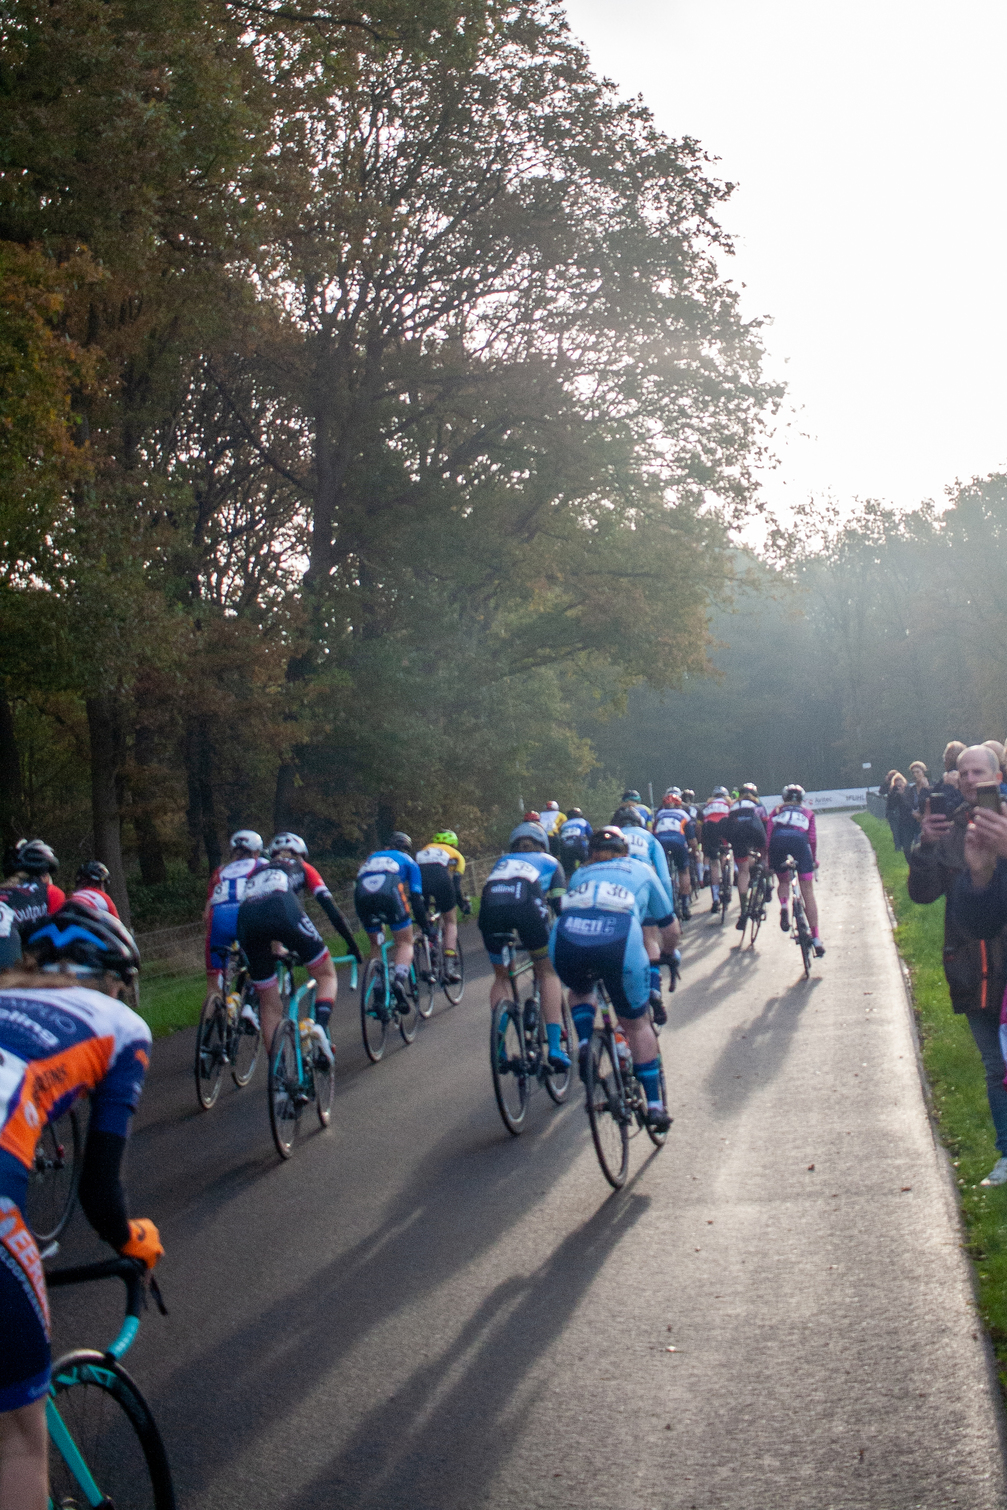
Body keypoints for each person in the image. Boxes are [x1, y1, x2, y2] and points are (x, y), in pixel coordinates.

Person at [0, 901, 161, 1510]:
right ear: (115, 981)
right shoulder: (120, 1024)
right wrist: (130, 1240)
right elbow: (98, 1191)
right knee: (16, 1439)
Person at [915, 744, 1007, 1186]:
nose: (970, 780)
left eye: (978, 772)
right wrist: (925, 847)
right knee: (995, 1067)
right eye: (962, 772)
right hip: (970, 964)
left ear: (998, 774)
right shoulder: (951, 830)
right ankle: (1006, 1153)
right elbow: (923, 894)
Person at [550, 826, 677, 1131]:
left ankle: (583, 1043)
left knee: (580, 990)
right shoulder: (641, 869)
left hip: (567, 939)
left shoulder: (581, 874)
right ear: (625, 851)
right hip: (619, 940)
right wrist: (668, 955)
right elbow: (670, 929)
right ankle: (655, 1107)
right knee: (636, 1024)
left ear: (590, 855)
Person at [237, 832, 361, 1064]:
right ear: (301, 855)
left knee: (269, 1003)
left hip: (246, 922)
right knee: (325, 974)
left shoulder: (257, 871)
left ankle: (280, 1075)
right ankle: (320, 1028)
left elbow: (257, 907)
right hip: (284, 913)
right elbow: (330, 908)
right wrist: (352, 944)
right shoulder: (302, 867)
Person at [478, 821, 570, 1070]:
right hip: (527, 907)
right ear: (543, 844)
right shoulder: (550, 861)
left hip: (490, 909)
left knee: (502, 978)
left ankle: (499, 1050)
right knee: (547, 971)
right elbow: (560, 906)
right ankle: (554, 1048)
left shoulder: (501, 863)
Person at [611, 805, 680, 1019]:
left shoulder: (611, 838)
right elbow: (665, 877)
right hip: (643, 889)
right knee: (650, 939)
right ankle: (653, 989)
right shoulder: (649, 838)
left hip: (614, 893)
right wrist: (667, 911)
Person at [353, 833, 428, 1013]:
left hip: (362, 893)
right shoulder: (409, 861)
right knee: (404, 942)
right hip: (389, 890)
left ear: (387, 847)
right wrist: (425, 926)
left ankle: (379, 991)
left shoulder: (371, 858)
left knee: (376, 945)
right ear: (407, 848)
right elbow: (416, 899)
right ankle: (398, 981)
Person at [766, 784, 825, 956]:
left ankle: (784, 907)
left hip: (778, 842)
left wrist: (771, 862)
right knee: (807, 892)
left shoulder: (776, 811)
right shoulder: (808, 813)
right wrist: (813, 860)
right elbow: (812, 839)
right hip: (799, 842)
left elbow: (769, 838)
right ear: (802, 799)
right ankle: (816, 939)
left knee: (784, 880)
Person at [203, 830, 264, 994]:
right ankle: (249, 1007)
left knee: (213, 986)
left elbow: (206, 913)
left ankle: (215, 1008)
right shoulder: (261, 866)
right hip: (246, 917)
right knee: (259, 964)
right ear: (256, 851)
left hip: (218, 920)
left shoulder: (220, 871)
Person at [0, 841, 64, 972]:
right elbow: (57, 939)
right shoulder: (51, 892)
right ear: (45, 874)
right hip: (9, 969)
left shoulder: (4, 891)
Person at [415, 829, 469, 982]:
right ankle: (449, 968)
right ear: (453, 843)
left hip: (421, 881)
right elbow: (456, 887)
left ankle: (426, 951)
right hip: (442, 881)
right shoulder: (456, 855)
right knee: (450, 922)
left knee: (425, 919)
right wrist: (461, 904)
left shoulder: (424, 850)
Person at [722, 785, 768, 929]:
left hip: (737, 836)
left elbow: (728, 825)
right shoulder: (758, 805)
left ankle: (744, 910)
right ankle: (764, 883)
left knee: (743, 871)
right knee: (762, 856)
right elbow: (765, 825)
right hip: (755, 833)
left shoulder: (733, 806)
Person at [652, 793, 694, 920]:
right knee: (683, 871)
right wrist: (695, 850)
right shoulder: (684, 815)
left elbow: (654, 832)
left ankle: (666, 902)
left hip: (661, 842)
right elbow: (691, 837)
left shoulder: (659, 815)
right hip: (678, 842)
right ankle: (685, 905)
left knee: (661, 872)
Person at [700, 787, 732, 913]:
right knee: (724, 851)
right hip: (723, 825)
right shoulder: (728, 803)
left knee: (714, 862)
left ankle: (715, 900)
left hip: (709, 827)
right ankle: (725, 875)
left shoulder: (708, 805)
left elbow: (701, 823)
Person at [557, 808, 592, 875]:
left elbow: (560, 837)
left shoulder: (564, 825)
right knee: (586, 865)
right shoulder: (583, 821)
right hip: (580, 846)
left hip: (565, 848)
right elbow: (590, 835)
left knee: (568, 871)